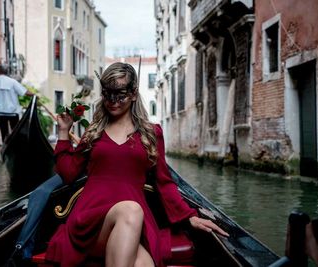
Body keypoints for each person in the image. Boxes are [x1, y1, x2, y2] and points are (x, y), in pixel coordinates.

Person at [46, 62, 228, 267]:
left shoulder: (152, 133)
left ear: (133, 94)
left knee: (145, 263)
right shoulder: (93, 132)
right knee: (131, 210)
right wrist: (63, 133)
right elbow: (69, 173)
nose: (113, 101)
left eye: (120, 95)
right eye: (108, 94)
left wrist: (189, 217)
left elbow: (164, 183)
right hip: (92, 223)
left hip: (135, 224)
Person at [0, 63, 34, 141]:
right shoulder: (12, 82)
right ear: (7, 71)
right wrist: (34, 95)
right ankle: (15, 146)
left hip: (0, 112)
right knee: (15, 131)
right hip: (13, 112)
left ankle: (5, 144)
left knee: (4, 132)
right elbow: (24, 91)